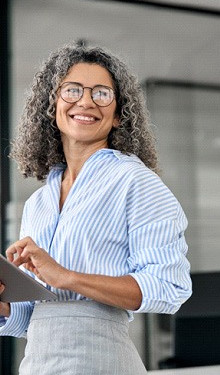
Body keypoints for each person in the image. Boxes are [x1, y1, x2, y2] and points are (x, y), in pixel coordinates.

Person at [0, 42, 192, 374]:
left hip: (101, 360)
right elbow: (31, 317)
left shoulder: (135, 182)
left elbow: (169, 287)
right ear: (52, 105)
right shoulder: (37, 204)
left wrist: (66, 277)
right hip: (38, 364)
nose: (86, 101)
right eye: (72, 90)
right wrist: (4, 303)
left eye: (101, 93)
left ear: (118, 115)